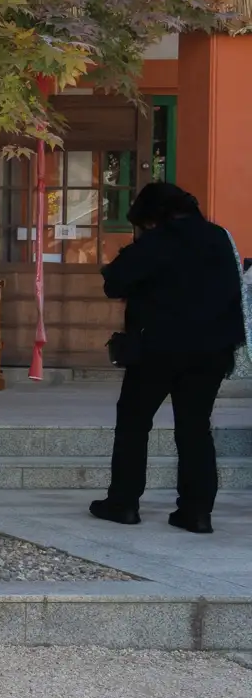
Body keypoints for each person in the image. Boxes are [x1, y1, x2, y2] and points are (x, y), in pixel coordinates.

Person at [89, 181, 247, 533]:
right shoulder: (218, 237)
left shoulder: (156, 241)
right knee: (195, 428)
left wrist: (135, 250)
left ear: (151, 216)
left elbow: (115, 283)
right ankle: (197, 512)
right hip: (211, 350)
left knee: (134, 423)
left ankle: (124, 503)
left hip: (158, 349)